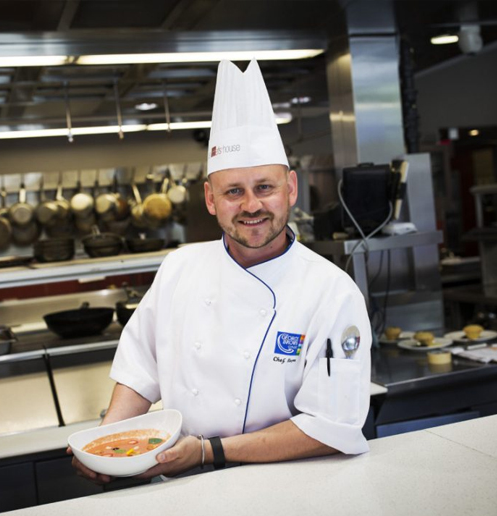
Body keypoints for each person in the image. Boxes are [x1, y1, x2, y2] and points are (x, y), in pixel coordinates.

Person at [71, 59, 372, 484]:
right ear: (211, 200)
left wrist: (207, 452)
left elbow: (331, 426)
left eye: (264, 187)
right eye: (233, 191)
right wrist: (107, 444)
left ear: (290, 189)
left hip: (288, 487)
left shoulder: (332, 292)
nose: (251, 205)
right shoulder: (180, 267)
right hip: (181, 485)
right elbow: (138, 372)